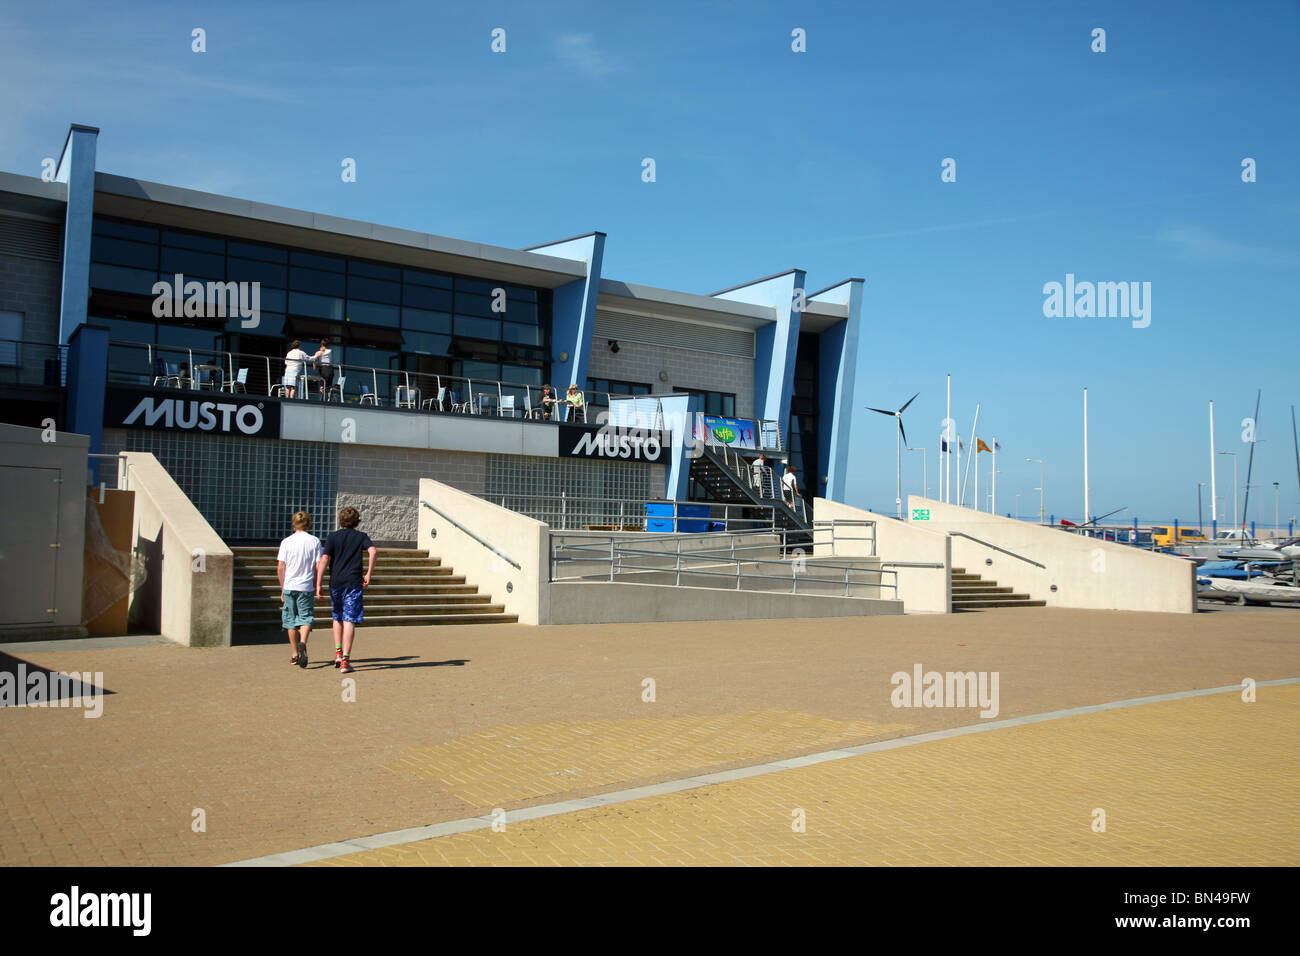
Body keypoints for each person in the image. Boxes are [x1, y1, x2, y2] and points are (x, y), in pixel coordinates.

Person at [315, 506, 376, 674]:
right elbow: (373, 551)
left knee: (337, 616)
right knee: (350, 619)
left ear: (341, 520)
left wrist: (318, 583)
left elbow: (324, 558)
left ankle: (338, 653)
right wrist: (369, 574)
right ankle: (345, 661)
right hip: (353, 582)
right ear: (357, 521)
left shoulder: (333, 537)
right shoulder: (361, 537)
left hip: (336, 582)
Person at [277, 510, 322, 668]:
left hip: (289, 585)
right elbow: (318, 566)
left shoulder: (286, 542)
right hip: (306, 586)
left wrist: (282, 588)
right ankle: (303, 642)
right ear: (309, 523)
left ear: (294, 523)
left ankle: (295, 653)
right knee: (306, 617)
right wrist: (317, 585)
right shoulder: (314, 541)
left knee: (290, 620)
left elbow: (281, 566)